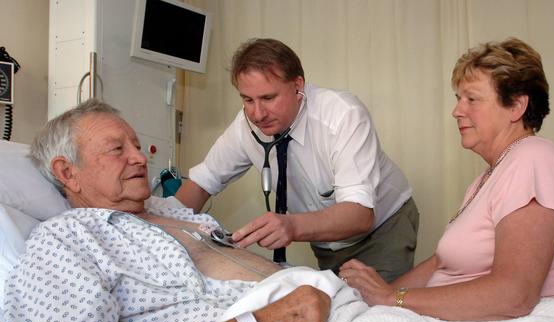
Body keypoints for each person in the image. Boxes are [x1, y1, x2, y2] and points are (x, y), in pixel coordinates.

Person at [0, 100, 331, 322]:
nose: (140, 158)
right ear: (67, 172)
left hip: (327, 310)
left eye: (137, 146)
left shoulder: (171, 211)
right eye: (117, 149)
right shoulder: (66, 240)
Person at [339, 37, 554, 321]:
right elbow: (441, 263)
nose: (457, 111)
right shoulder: (490, 176)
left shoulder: (535, 159)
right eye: (458, 99)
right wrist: (371, 299)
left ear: (516, 107)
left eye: (471, 99)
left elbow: (515, 295)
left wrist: (392, 299)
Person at [176, 38, 418, 282]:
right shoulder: (245, 125)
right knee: (335, 311)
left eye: (268, 98)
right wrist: (156, 228)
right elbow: (203, 181)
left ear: (297, 86)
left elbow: (360, 215)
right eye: (248, 100)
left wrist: (291, 225)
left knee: (376, 311)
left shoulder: (343, 116)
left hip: (383, 229)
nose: (257, 114)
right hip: (327, 242)